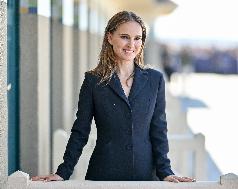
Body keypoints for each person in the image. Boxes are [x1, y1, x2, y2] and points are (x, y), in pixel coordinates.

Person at [32, 11, 196, 183]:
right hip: (103, 175)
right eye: (125, 37)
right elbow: (80, 131)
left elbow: (159, 130)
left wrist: (165, 171)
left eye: (137, 38)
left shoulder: (155, 80)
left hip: (145, 176)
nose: (131, 44)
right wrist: (62, 172)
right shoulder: (93, 81)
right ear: (110, 37)